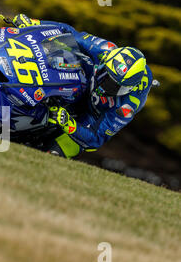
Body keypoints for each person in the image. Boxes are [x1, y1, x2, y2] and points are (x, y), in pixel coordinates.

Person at [12, 14, 157, 158]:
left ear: (128, 89)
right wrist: (35, 23)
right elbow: (68, 32)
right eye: (105, 76)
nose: (105, 87)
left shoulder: (126, 107)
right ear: (106, 60)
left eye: (116, 87)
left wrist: (69, 124)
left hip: (93, 114)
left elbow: (95, 140)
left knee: (54, 154)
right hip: (83, 80)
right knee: (62, 50)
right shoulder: (105, 49)